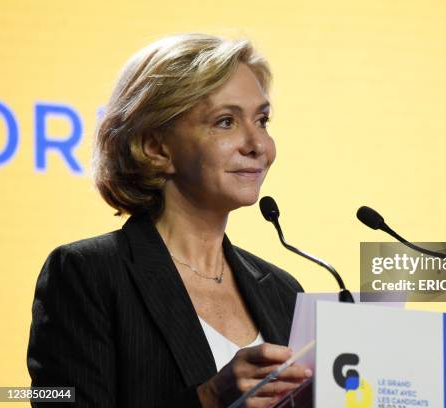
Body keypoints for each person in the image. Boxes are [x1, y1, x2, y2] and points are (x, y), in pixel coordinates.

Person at [27, 33, 311, 407]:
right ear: (155, 147)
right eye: (225, 122)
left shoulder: (283, 291)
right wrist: (208, 399)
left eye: (262, 120)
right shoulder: (88, 274)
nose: (257, 144)